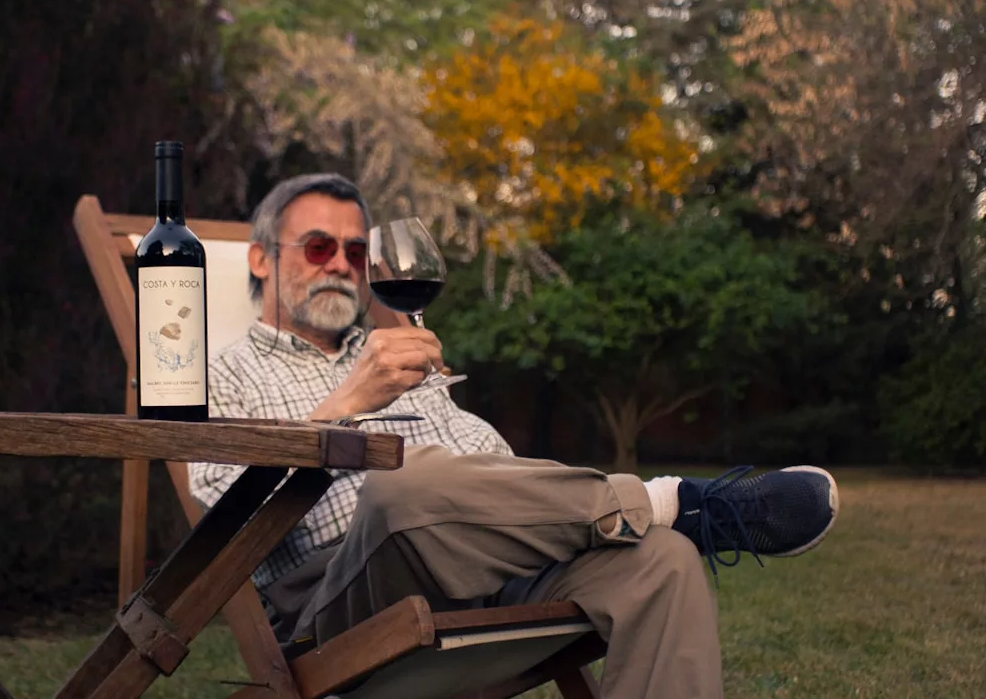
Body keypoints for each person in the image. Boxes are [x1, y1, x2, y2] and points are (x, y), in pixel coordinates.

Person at [190, 173, 839, 698]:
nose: (340, 265)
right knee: (408, 483)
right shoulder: (223, 373)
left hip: (482, 565)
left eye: (356, 252)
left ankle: (667, 518)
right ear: (261, 257)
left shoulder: (400, 354)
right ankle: (673, 504)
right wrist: (348, 404)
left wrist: (500, 496)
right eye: (317, 247)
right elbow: (221, 511)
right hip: (340, 595)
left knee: (661, 563)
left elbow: (492, 464)